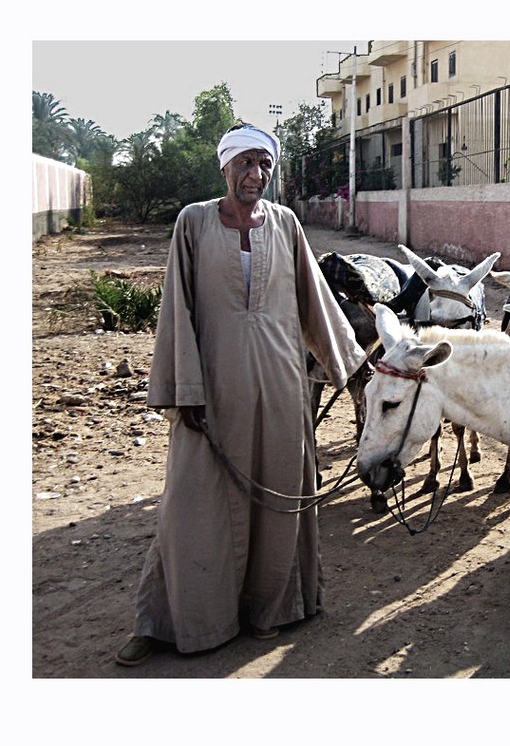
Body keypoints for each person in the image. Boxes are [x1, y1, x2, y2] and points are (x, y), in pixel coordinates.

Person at [115, 124, 368, 666]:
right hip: (212, 391)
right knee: (191, 505)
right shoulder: (194, 222)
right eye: (245, 164)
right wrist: (186, 389)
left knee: (278, 497)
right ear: (225, 168)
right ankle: (167, 620)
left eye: (264, 164)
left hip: (280, 388)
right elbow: (176, 311)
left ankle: (271, 611)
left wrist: (351, 367)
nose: (255, 174)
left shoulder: (286, 224)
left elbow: (314, 303)